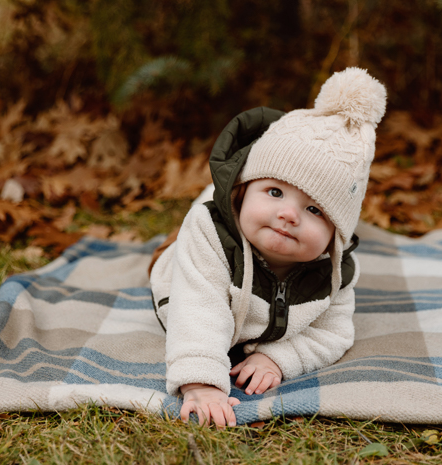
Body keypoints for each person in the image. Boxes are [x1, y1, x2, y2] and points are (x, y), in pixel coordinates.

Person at [149, 67, 387, 427]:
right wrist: (201, 383)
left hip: (256, 300)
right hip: (188, 275)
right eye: (274, 192)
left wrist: (278, 357)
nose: (289, 215)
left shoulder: (333, 273)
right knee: (187, 237)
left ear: (335, 234)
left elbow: (332, 333)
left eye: (314, 209)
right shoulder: (210, 236)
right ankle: (215, 200)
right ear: (246, 191)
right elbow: (197, 310)